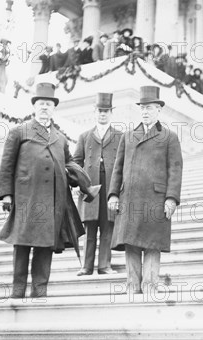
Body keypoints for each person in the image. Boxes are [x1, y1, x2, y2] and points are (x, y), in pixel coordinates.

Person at [0, 83, 73, 299]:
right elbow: (7, 165)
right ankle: (18, 289)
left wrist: (82, 180)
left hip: (51, 202)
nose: (44, 108)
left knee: (45, 245)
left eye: (48, 104)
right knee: (21, 244)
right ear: (34, 106)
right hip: (25, 199)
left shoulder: (61, 138)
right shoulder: (20, 132)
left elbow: (69, 164)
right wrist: (7, 194)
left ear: (54, 108)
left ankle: (40, 289)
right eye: (41, 104)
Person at [108, 86, 183, 293]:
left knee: (152, 244)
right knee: (131, 244)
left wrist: (171, 198)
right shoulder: (128, 136)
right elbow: (118, 168)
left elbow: (175, 170)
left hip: (156, 200)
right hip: (130, 198)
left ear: (159, 110)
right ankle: (132, 287)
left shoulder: (169, 137)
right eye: (142, 108)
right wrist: (113, 194)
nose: (145, 112)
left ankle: (150, 287)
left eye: (149, 108)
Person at [73, 93, 123, 276]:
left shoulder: (120, 136)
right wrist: (79, 182)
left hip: (110, 187)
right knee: (90, 227)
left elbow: (123, 162)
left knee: (108, 226)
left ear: (111, 113)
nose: (103, 114)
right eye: (100, 111)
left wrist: (118, 190)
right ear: (95, 112)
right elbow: (76, 162)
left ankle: (104, 265)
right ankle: (86, 266)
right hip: (90, 189)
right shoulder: (85, 136)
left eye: (106, 111)